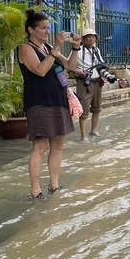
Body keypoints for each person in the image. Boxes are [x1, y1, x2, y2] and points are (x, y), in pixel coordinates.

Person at [18, 10, 81, 199]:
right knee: (40, 147)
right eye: (43, 28)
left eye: (48, 27)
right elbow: (40, 70)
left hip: (58, 101)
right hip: (39, 102)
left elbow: (69, 66)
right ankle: (36, 191)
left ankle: (54, 185)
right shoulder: (26, 48)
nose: (47, 31)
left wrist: (76, 48)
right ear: (31, 29)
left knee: (58, 145)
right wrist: (55, 48)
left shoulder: (47, 48)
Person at [73, 28, 107, 141]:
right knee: (84, 110)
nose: (90, 38)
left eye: (93, 36)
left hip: (97, 82)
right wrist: (77, 72)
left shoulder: (96, 50)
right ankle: (83, 136)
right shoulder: (77, 50)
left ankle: (93, 131)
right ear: (83, 39)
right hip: (84, 83)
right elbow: (70, 65)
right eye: (88, 36)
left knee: (97, 108)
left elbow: (101, 65)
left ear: (95, 38)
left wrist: (105, 75)